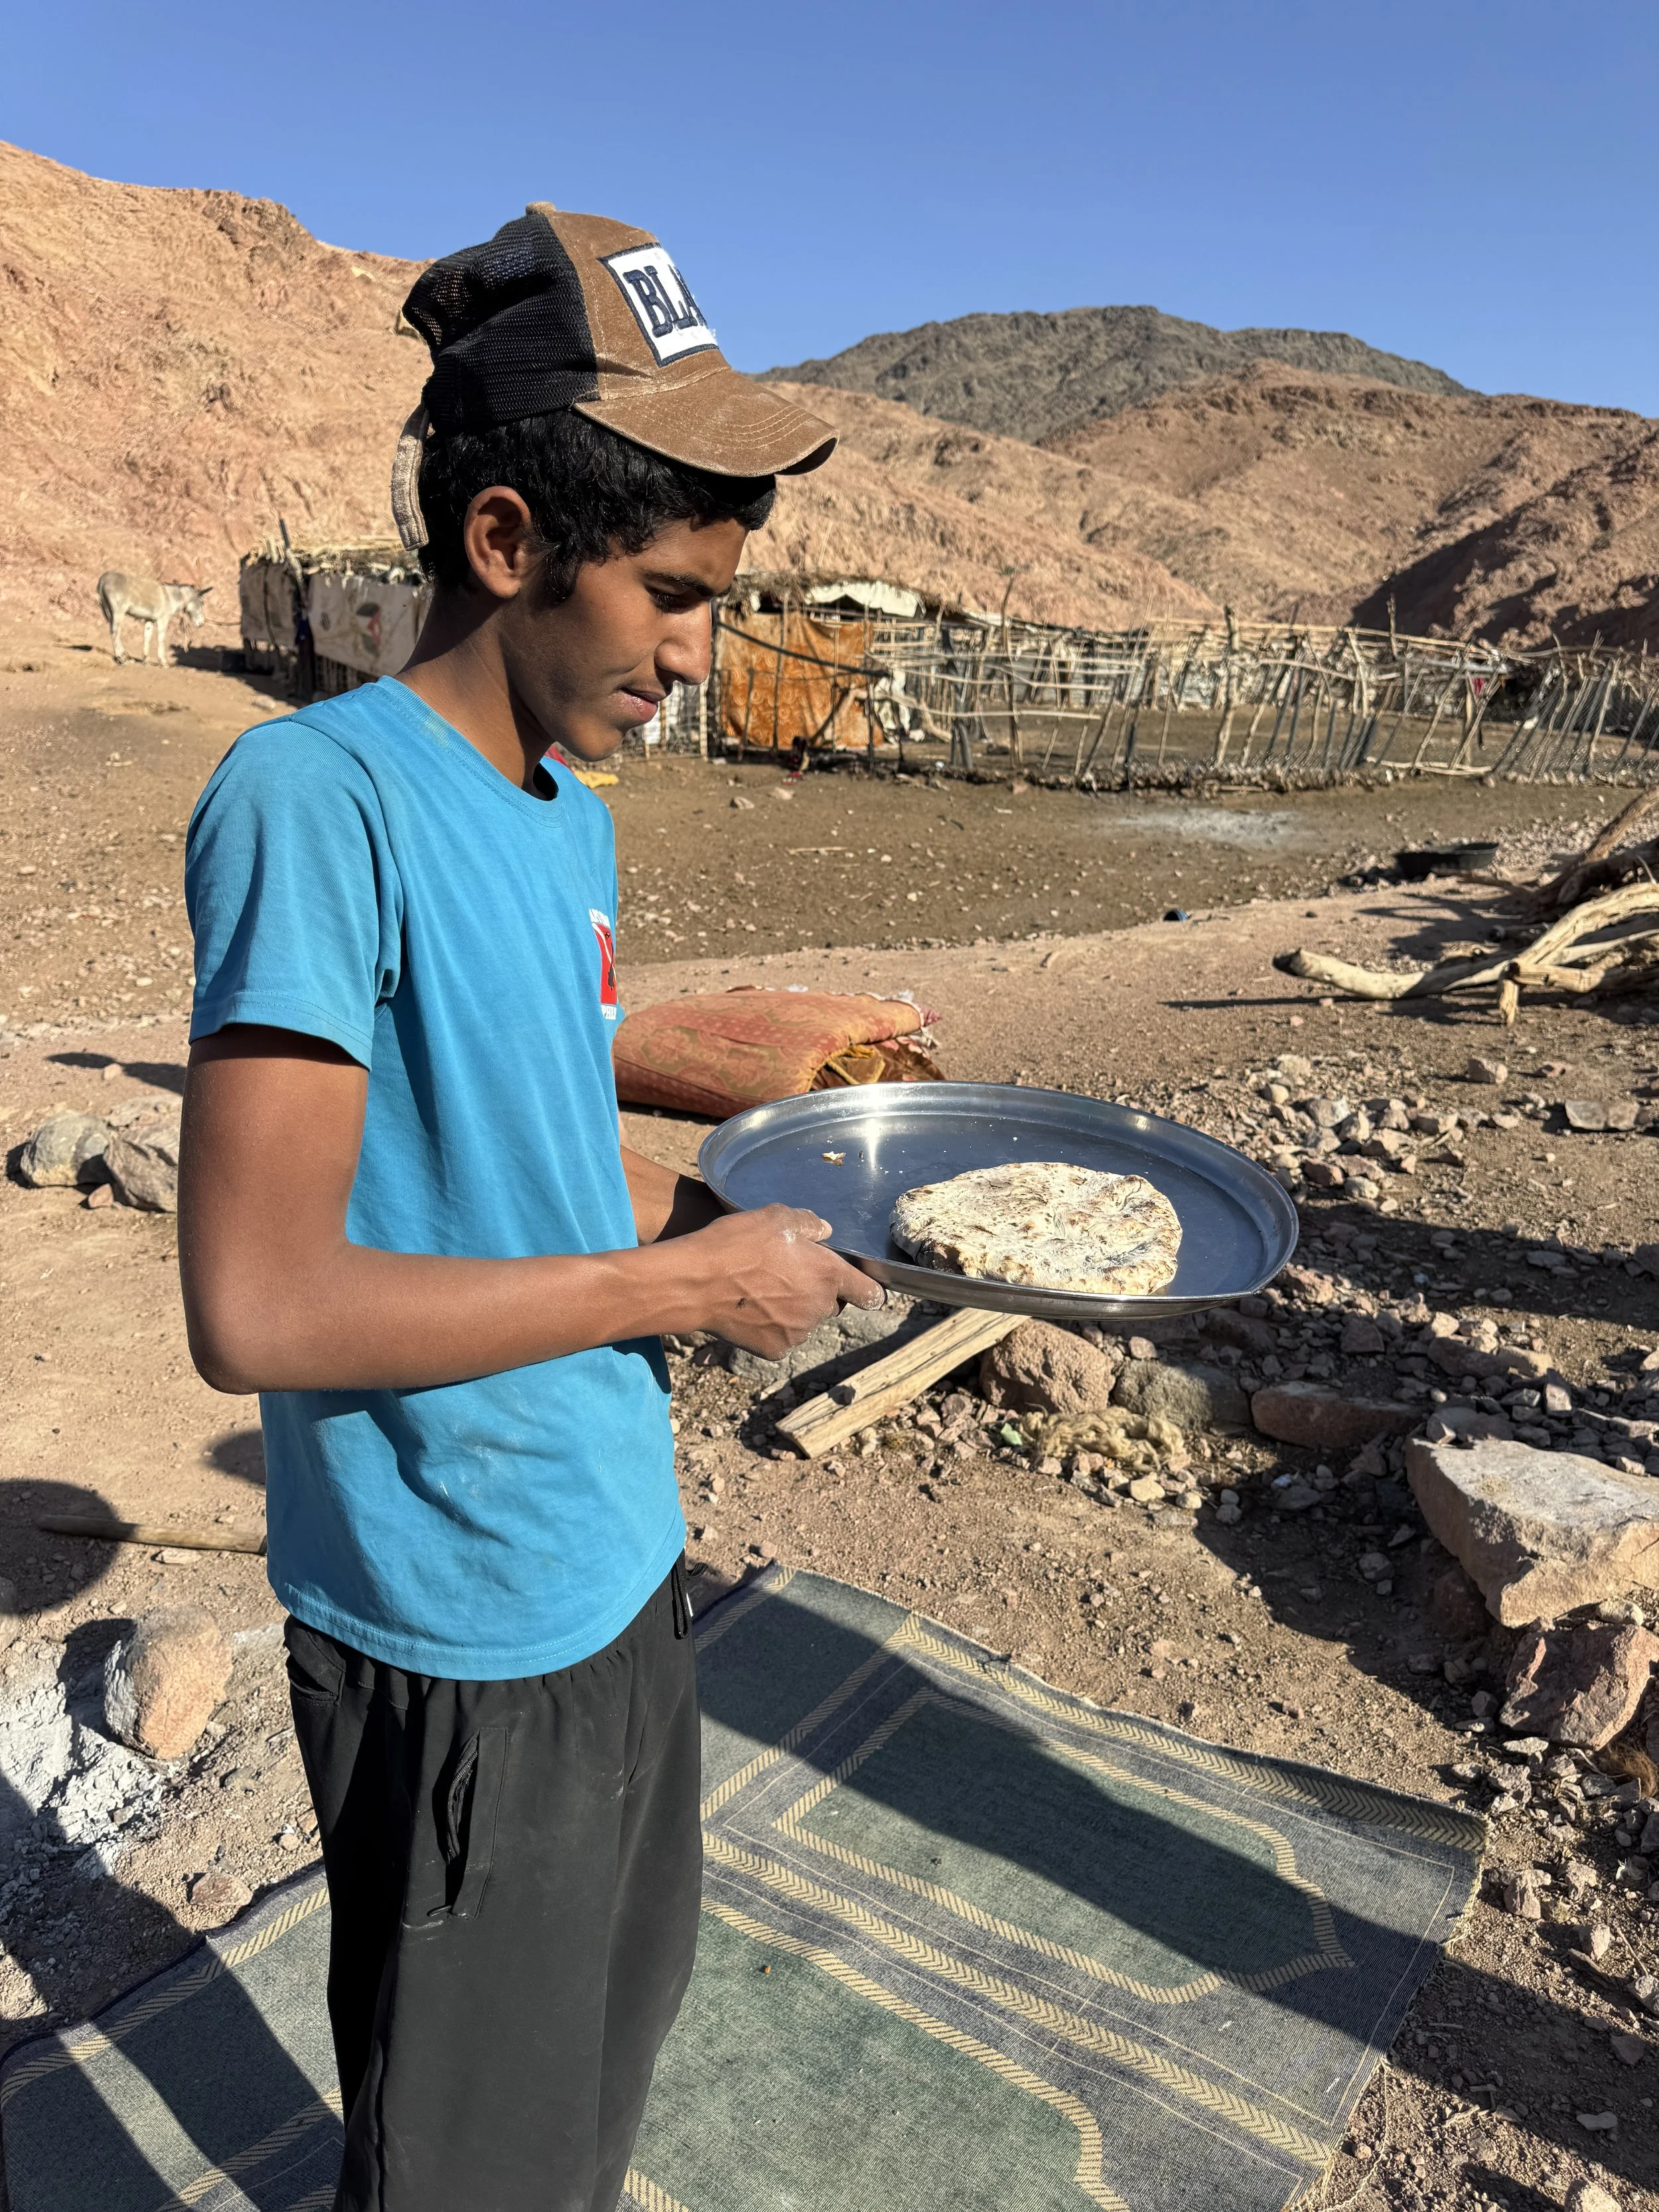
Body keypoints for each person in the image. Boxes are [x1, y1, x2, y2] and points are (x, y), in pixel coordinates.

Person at [178, 203, 876, 2212]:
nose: (696, 654)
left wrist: (750, 1156)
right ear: (501, 544)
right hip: (458, 1608)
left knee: (589, 2082)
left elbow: (512, 1123)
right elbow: (265, 1305)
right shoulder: (318, 800)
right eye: (668, 595)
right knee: (470, 2159)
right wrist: (670, 1276)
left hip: (604, 1547)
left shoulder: (569, 819)